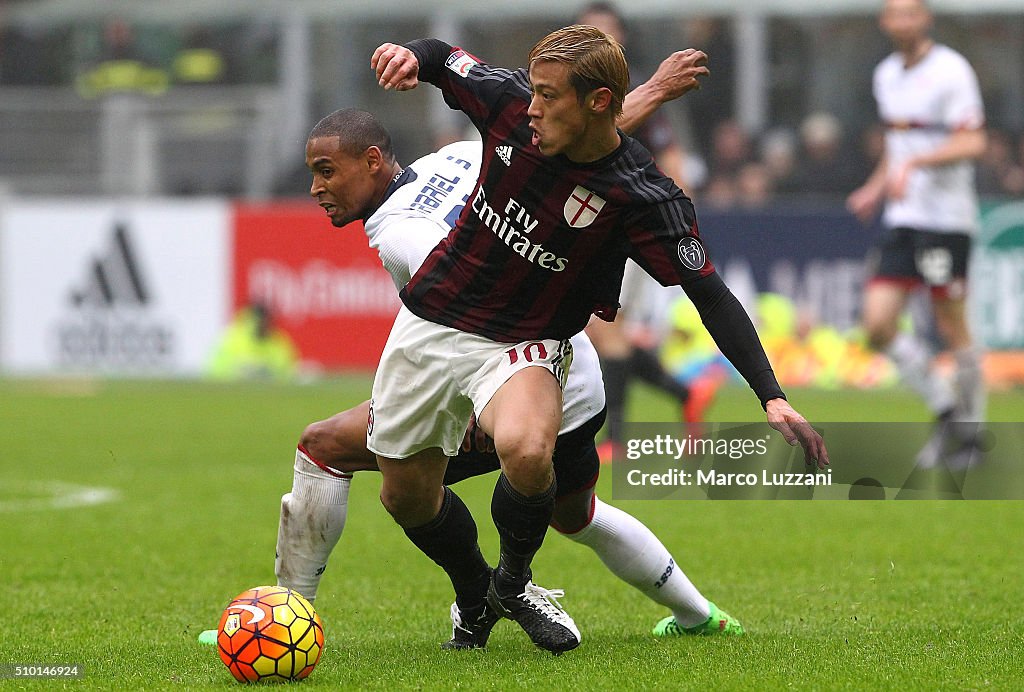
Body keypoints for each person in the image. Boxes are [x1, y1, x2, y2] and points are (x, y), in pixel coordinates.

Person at [370, 25, 828, 654]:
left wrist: (771, 396)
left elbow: (711, 295)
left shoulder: (642, 197)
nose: (531, 107)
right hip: (430, 323)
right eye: (533, 91)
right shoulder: (511, 108)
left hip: (523, 344)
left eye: (548, 96)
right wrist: (408, 57)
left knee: (530, 456)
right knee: (401, 492)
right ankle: (478, 594)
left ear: (598, 102)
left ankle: (513, 580)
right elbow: (444, 56)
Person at [574, 2, 719, 462]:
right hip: (591, 225)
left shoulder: (632, 91)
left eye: (608, 31)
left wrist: (677, 217)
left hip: (628, 222)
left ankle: (615, 437)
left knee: (605, 328)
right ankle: (684, 393)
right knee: (601, 331)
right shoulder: (566, 87)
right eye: (590, 30)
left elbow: (670, 155)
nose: (600, 38)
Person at [846, 0, 987, 469]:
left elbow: (974, 140)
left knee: (951, 323)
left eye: (911, 13)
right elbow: (897, 144)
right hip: (903, 219)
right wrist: (874, 186)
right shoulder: (886, 73)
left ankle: (971, 435)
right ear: (885, 21)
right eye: (894, 14)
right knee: (878, 324)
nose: (903, 21)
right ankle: (947, 410)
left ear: (925, 17)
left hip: (946, 219)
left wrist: (917, 164)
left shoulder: (952, 70)